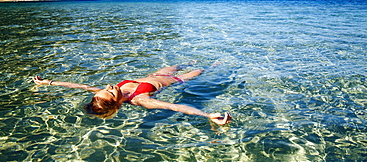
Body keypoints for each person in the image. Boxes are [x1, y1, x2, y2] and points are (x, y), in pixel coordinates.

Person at [32, 62, 231, 125]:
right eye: (111, 92)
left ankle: (195, 63)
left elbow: (80, 86)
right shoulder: (140, 100)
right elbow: (174, 106)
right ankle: (215, 64)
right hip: (179, 80)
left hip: (158, 73)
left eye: (107, 88)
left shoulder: (108, 93)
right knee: (203, 69)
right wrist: (207, 115)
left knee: (181, 63)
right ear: (117, 103)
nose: (110, 86)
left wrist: (48, 82)